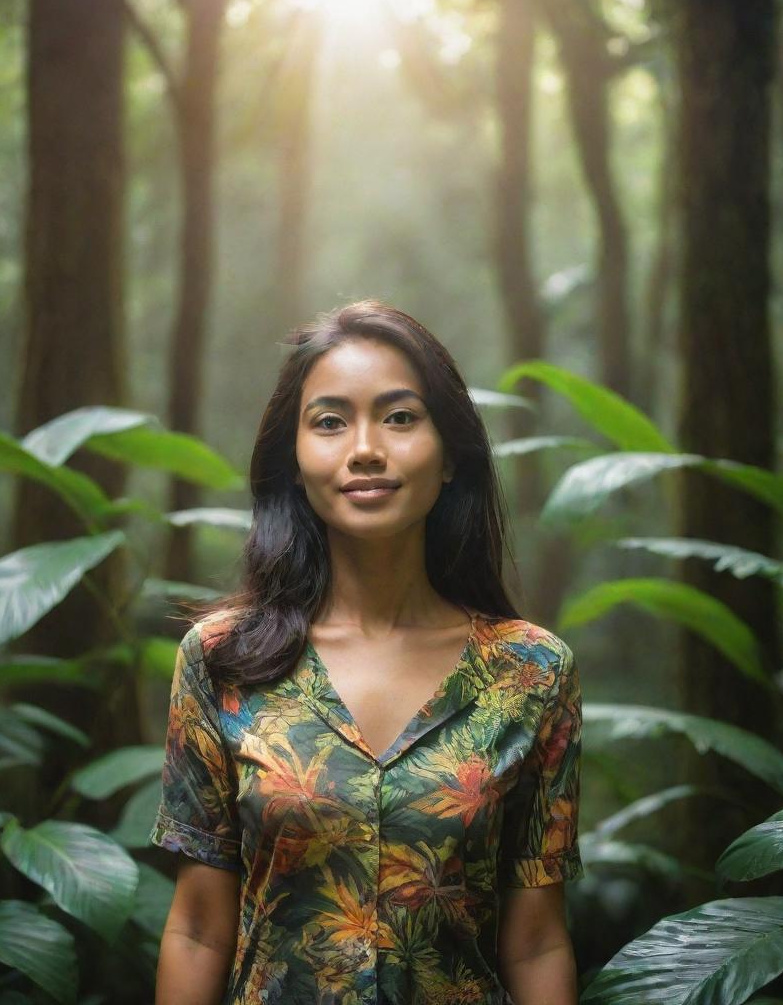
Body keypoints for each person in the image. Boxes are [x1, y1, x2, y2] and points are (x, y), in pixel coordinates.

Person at [151, 300, 584, 1005]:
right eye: (329, 421)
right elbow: (199, 928)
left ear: (450, 457)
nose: (365, 448)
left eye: (400, 417)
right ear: (293, 460)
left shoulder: (531, 673)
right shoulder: (222, 660)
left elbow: (537, 939)